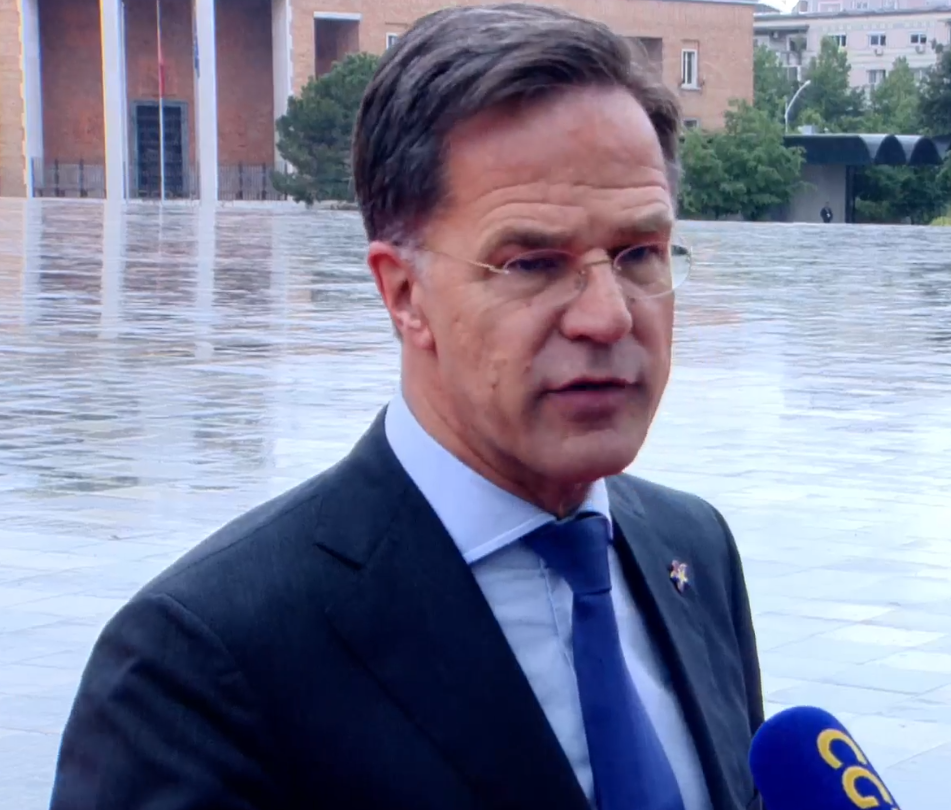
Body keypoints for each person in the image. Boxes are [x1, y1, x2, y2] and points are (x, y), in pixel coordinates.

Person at [49, 5, 764, 810]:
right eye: (531, 263)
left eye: (639, 254)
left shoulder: (692, 550)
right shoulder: (200, 661)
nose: (607, 315)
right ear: (403, 294)